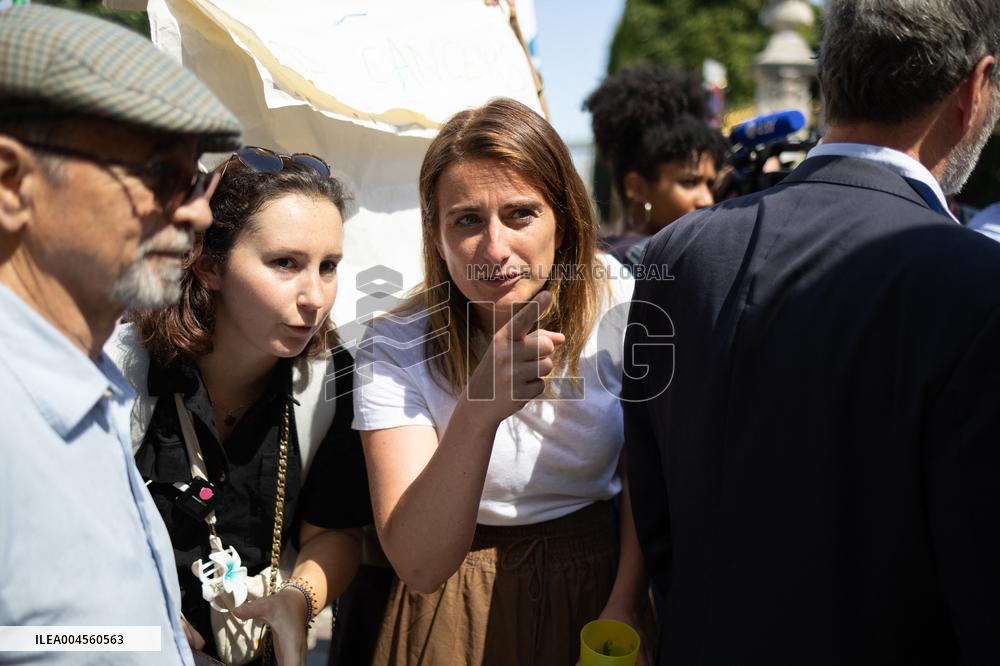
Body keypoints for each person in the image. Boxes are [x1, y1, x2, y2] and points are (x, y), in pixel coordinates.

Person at [622, 0, 1000, 664]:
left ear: (831, 80)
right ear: (974, 90)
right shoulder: (977, 286)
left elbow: (656, 516)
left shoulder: (676, 255)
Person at [354, 97, 650, 665]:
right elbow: (419, 563)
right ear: (435, 236)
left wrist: (626, 601)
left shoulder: (620, 302)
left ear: (563, 222)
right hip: (451, 602)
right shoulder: (393, 343)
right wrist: (477, 412)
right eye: (466, 220)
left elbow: (645, 468)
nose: (494, 250)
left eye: (520, 214)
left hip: (599, 585)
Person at [0, 5, 240, 665]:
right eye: (160, 176)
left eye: (196, 179)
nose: (197, 210)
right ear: (12, 183)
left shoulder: (82, 386)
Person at [106, 148, 372, 665]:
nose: (314, 296)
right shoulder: (117, 371)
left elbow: (335, 531)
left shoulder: (331, 376)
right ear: (208, 264)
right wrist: (140, 620)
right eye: (285, 263)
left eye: (329, 266)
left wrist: (297, 600)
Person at [584, 65, 726, 269]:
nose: (707, 199)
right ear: (636, 187)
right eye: (689, 182)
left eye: (710, 183)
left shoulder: (597, 258)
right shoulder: (656, 262)